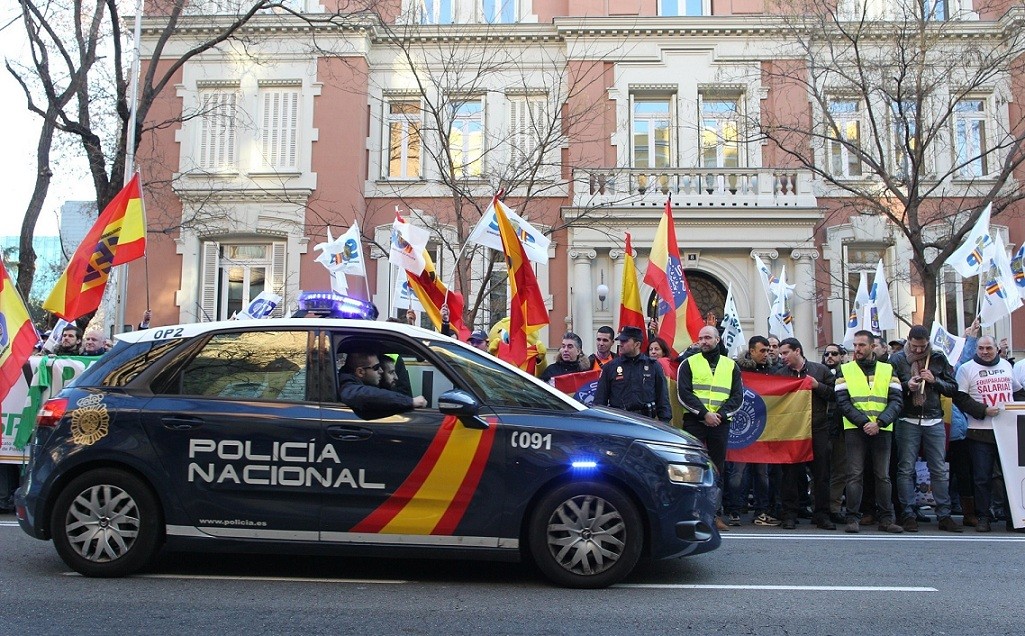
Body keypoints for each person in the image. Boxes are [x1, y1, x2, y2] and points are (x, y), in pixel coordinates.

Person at [888, 325, 963, 533]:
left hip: (933, 419)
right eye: (915, 346)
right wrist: (906, 386)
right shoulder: (896, 360)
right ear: (908, 341)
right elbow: (887, 389)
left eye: (922, 347)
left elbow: (953, 388)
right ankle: (908, 513)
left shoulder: (938, 357)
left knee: (938, 469)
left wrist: (934, 380)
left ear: (928, 342)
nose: (919, 351)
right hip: (907, 419)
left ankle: (944, 515)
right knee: (905, 468)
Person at [835, 330, 904, 534]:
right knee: (855, 474)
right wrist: (865, 422)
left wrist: (880, 422)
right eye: (855, 345)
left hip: (882, 428)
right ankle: (853, 518)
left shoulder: (888, 369)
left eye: (861, 345)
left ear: (873, 347)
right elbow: (842, 402)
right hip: (856, 429)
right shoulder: (844, 369)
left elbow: (897, 400)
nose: (857, 349)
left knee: (883, 475)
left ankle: (885, 519)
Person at [678, 325, 744, 532]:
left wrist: (720, 416)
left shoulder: (731, 365)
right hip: (694, 422)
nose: (703, 341)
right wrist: (704, 414)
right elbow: (684, 393)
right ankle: (689, 513)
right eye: (700, 338)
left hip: (720, 424)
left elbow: (737, 397)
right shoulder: (688, 363)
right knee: (692, 469)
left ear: (717, 340)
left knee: (717, 470)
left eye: (707, 337)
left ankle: (715, 515)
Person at [954, 335, 1024, 532]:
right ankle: (983, 517)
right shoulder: (966, 368)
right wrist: (983, 410)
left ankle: (1014, 518)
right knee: (982, 477)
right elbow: (960, 398)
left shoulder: (1006, 366)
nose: (985, 352)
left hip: (1008, 431)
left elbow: (1017, 392)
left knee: (1010, 475)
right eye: (981, 348)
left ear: (997, 349)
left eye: (989, 348)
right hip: (979, 431)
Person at [775, 337, 836, 530]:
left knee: (821, 473)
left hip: (817, 429)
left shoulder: (821, 370)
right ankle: (790, 513)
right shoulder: (780, 374)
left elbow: (836, 395)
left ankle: (822, 514)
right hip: (792, 430)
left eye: (785, 352)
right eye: (781, 353)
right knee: (790, 474)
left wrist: (818, 386)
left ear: (798, 351)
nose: (781, 356)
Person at [727, 335, 781, 527]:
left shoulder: (773, 371)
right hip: (743, 429)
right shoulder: (738, 370)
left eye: (768, 350)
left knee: (762, 474)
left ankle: (762, 512)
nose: (767, 354)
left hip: (764, 429)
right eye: (762, 351)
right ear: (751, 351)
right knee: (737, 473)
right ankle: (734, 510)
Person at [592, 326, 671, 422]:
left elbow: (663, 398)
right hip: (619, 422)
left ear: (637, 344)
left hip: (646, 421)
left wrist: (665, 422)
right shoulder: (610, 367)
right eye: (620, 341)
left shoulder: (653, 366)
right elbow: (600, 400)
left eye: (625, 341)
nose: (620, 344)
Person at [338, 351, 427, 419]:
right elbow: (364, 395)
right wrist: (411, 401)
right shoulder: (346, 383)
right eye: (376, 367)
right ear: (360, 372)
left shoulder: (358, 382)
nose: (381, 371)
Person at [822, 343, 849, 524]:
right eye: (827, 354)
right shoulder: (818, 373)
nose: (830, 357)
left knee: (840, 471)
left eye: (834, 353)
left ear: (841, 356)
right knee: (821, 471)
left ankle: (834, 507)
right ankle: (820, 507)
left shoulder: (847, 374)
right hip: (821, 428)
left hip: (840, 428)